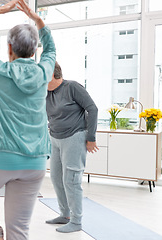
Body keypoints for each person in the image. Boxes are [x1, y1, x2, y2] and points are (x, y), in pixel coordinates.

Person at [0, 1, 55, 239]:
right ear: (35, 50)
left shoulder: (0, 70)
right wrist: (38, 21)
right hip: (35, 162)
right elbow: (52, 51)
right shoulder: (45, 71)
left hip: (1, 157)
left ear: (9, 48)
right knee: (19, 230)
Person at [45, 61, 98, 233]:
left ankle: (76, 221)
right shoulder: (45, 92)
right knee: (56, 177)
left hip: (74, 137)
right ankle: (65, 214)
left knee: (72, 180)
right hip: (55, 138)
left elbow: (92, 109)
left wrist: (91, 137)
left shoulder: (72, 87)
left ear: (52, 74)